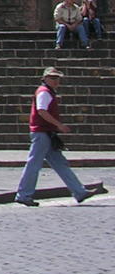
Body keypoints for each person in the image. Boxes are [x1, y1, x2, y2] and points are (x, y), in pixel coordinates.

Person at [14, 68, 107, 206]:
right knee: (34, 164)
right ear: (44, 78)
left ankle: (79, 192)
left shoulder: (47, 92)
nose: (56, 80)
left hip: (46, 133)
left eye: (57, 78)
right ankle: (23, 194)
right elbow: (41, 111)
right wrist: (59, 125)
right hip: (42, 132)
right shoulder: (44, 93)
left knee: (60, 163)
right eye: (52, 78)